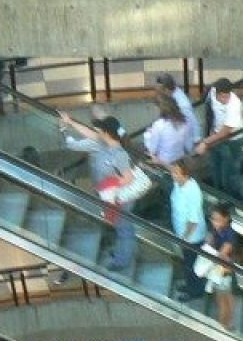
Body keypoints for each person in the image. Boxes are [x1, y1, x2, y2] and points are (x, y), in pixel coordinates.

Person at [60, 113, 138, 272]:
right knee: (118, 227)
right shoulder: (104, 143)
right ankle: (120, 253)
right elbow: (89, 133)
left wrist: (110, 185)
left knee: (124, 229)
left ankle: (122, 261)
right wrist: (70, 122)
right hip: (110, 198)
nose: (97, 131)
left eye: (100, 130)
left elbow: (128, 178)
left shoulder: (119, 154)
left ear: (107, 133)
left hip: (119, 199)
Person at [195, 78, 243, 196]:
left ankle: (232, 197)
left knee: (230, 172)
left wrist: (205, 142)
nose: (225, 100)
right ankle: (218, 193)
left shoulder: (234, 105)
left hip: (232, 140)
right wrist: (210, 133)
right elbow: (208, 111)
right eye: (222, 97)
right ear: (216, 93)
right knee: (215, 167)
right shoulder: (211, 92)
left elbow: (226, 132)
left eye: (227, 96)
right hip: (215, 135)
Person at [169, 158, 208, 301]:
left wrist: (184, 239)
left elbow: (193, 220)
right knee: (187, 263)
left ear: (185, 175)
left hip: (192, 237)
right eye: (173, 171)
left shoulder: (192, 191)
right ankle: (190, 285)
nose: (173, 174)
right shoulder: (178, 183)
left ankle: (195, 292)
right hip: (181, 232)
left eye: (176, 173)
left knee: (192, 265)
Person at [155, 73, 200, 151]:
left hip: (183, 145)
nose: (158, 93)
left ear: (167, 90)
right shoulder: (172, 94)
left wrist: (197, 141)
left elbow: (193, 123)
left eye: (160, 90)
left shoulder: (182, 105)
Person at [144, 96, 191, 168]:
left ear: (160, 109)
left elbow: (152, 150)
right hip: (179, 161)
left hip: (163, 164)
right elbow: (188, 145)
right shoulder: (185, 121)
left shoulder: (159, 124)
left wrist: (148, 135)